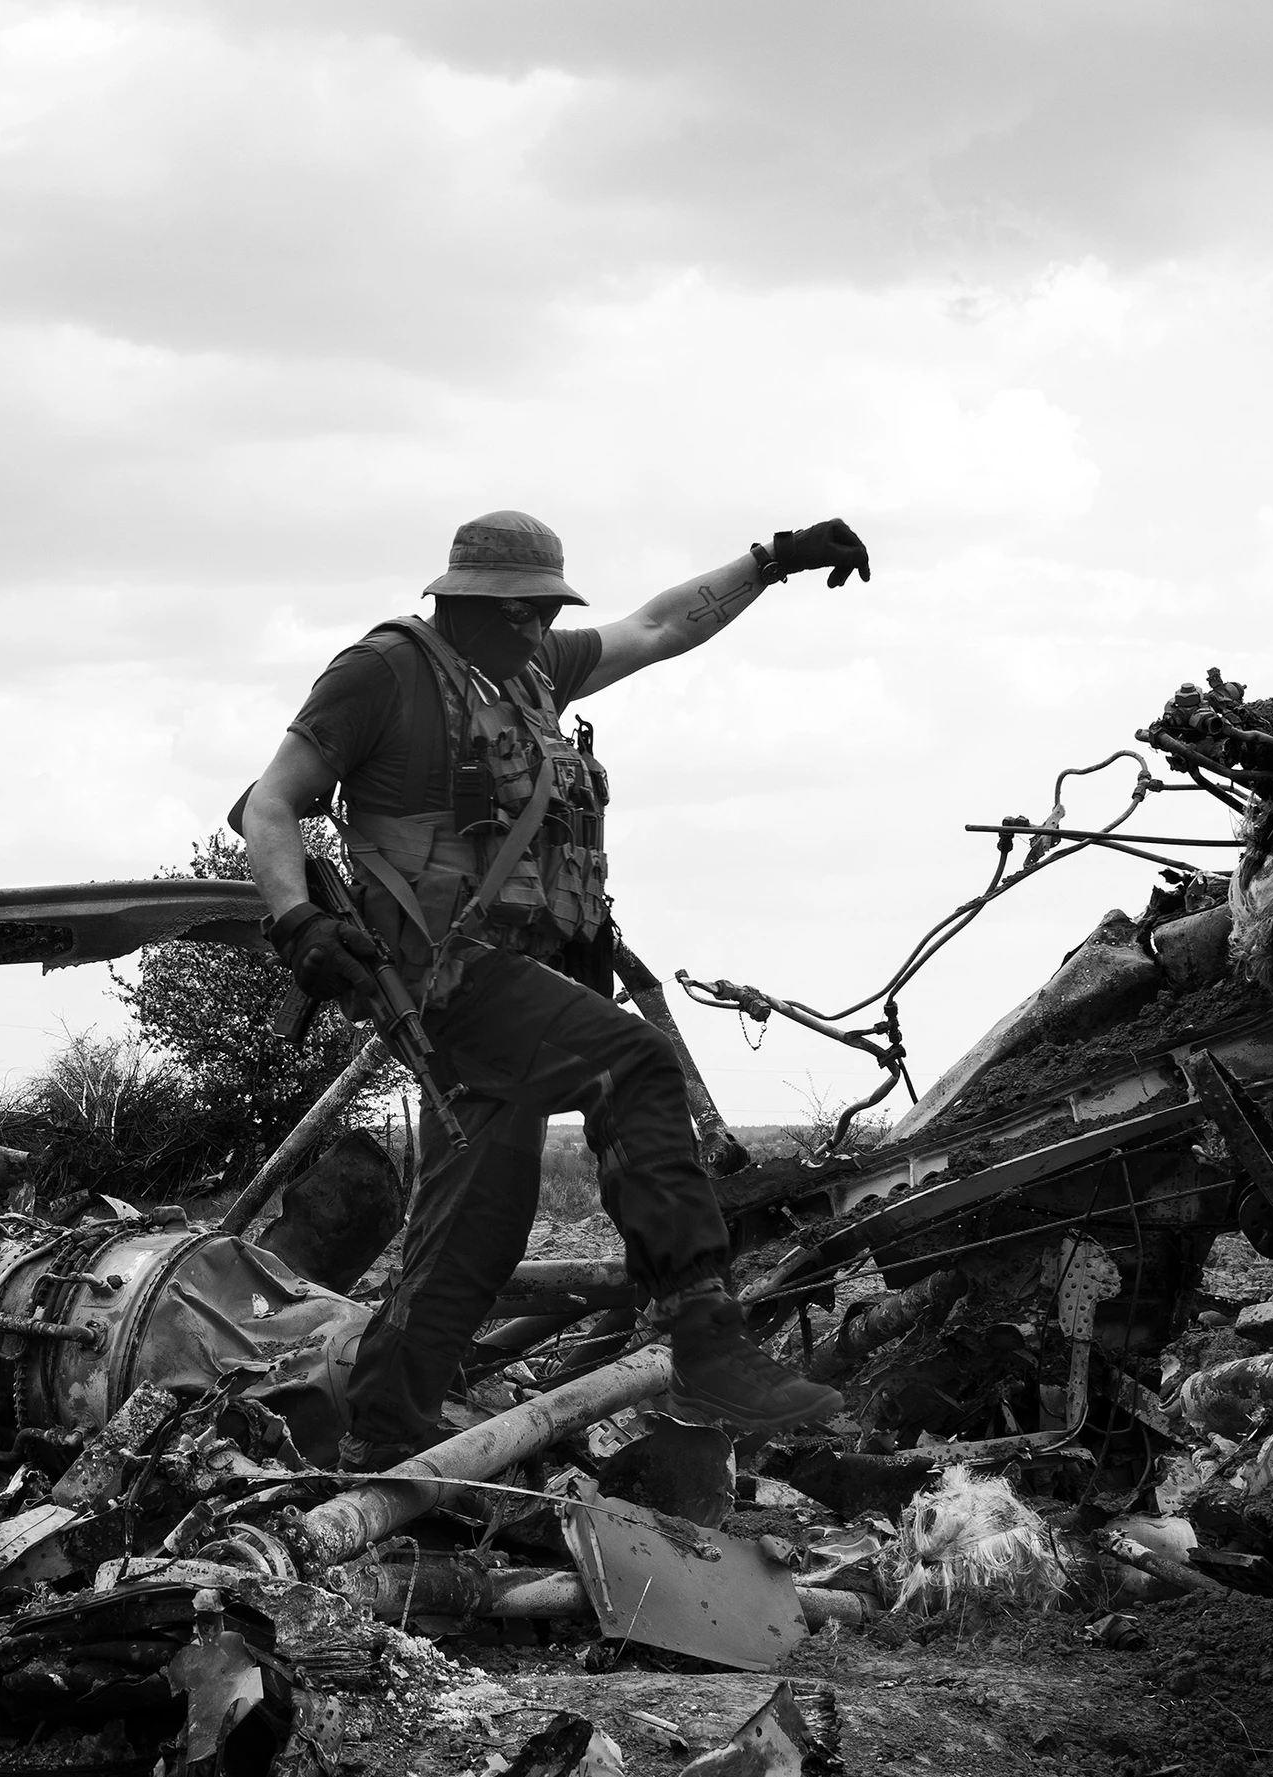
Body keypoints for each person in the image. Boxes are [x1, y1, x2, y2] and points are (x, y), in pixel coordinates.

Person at [236, 507, 872, 1461]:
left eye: (545, 609)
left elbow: (660, 628)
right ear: (457, 601)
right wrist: (299, 921)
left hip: (523, 982)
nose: (535, 626)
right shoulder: (381, 673)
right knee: (635, 1065)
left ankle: (378, 1435)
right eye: (515, 610)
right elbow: (269, 802)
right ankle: (705, 1338)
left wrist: (770, 562)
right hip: (447, 977)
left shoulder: (531, 670)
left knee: (478, 1233)